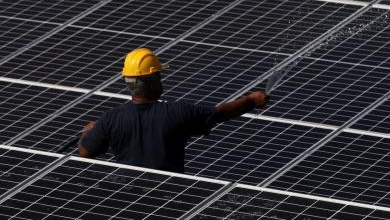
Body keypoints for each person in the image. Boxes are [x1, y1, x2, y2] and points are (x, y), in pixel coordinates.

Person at [78, 47, 270, 173]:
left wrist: (88, 132)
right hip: (170, 192)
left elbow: (85, 152)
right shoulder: (177, 112)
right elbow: (220, 113)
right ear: (154, 81)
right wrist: (251, 100)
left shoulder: (111, 119)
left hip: (127, 196)